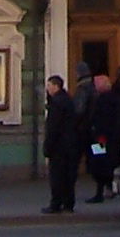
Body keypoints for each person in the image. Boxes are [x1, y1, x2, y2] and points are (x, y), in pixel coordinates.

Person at [39, 75, 78, 214]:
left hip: (58, 146)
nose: (47, 89)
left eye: (49, 86)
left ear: (56, 86)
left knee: (57, 176)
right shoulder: (68, 100)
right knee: (68, 176)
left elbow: (53, 127)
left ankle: (56, 203)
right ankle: (68, 203)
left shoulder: (56, 103)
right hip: (70, 144)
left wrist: (48, 146)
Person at [82, 73, 120, 203]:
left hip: (101, 139)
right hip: (107, 138)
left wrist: (95, 133)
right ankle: (108, 188)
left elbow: (100, 120)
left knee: (99, 163)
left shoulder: (102, 100)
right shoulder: (113, 99)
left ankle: (101, 191)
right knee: (105, 163)